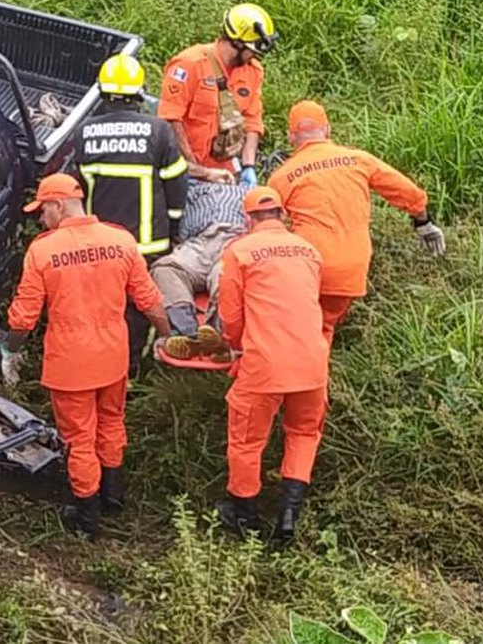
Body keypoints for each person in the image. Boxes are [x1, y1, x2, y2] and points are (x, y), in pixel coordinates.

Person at [0, 174, 171, 538]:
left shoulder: (43, 251)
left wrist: (9, 350)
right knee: (111, 423)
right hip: (113, 357)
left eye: (43, 210)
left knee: (78, 439)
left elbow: (24, 316)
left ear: (59, 205)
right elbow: (150, 299)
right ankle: (114, 494)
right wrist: (169, 336)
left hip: (71, 363)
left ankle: (87, 517)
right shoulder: (120, 240)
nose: (41, 219)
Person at [268, 100, 447, 344]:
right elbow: (409, 193)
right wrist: (423, 223)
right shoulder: (358, 159)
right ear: (328, 129)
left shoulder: (280, 178)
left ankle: (300, 372)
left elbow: (266, 226)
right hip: (350, 270)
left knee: (297, 332)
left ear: (291, 137)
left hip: (308, 267)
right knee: (321, 329)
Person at [214, 187, 329, 541]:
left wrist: (233, 348)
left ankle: (244, 516)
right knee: (304, 433)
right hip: (313, 362)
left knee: (247, 441)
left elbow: (231, 317)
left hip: (264, 365)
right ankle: (289, 515)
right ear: (282, 215)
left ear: (248, 219)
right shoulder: (310, 251)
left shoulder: (240, 251)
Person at [69, 54, 189, 371]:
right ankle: (135, 368)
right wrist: (175, 228)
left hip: (98, 245)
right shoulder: (159, 131)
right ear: (139, 93)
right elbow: (177, 185)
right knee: (143, 306)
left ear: (103, 92)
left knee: (103, 306)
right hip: (146, 244)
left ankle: (100, 363)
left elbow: (75, 188)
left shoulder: (84, 133)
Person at [157, 3, 279, 189]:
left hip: (225, 171)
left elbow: (253, 121)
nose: (255, 57)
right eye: (252, 51)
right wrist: (195, 170)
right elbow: (170, 119)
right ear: (237, 43)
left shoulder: (253, 72)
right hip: (186, 169)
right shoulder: (190, 64)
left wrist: (248, 165)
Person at [151, 181, 246, 360]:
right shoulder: (191, 192)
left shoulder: (245, 190)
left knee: (227, 275)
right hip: (198, 241)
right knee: (165, 268)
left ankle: (220, 336)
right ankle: (186, 333)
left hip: (234, 239)